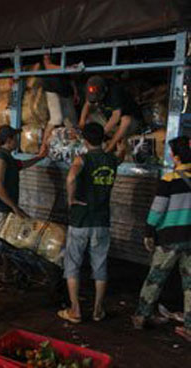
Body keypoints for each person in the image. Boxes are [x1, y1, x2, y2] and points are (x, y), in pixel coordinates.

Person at [58, 123, 125, 323]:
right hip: (102, 221)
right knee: (100, 265)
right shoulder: (111, 160)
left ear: (85, 140)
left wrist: (71, 199)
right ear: (103, 138)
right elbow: (120, 155)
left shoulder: (83, 159)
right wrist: (121, 146)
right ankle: (97, 310)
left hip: (81, 220)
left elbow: (71, 177)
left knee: (73, 264)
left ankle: (75, 310)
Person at [132, 136, 191, 342]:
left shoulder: (170, 179)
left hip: (170, 238)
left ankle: (142, 316)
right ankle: (190, 327)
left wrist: (149, 230)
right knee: (190, 284)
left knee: (155, 278)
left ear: (175, 156)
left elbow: (158, 209)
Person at [0, 125, 48, 291]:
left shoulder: (8, 158)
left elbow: (22, 165)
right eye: (15, 138)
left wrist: (39, 157)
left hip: (5, 208)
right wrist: (14, 207)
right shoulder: (0, 159)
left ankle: (6, 272)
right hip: (0, 209)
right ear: (9, 140)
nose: (18, 140)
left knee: (6, 240)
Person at [79, 75, 144, 153]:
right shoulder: (92, 89)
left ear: (105, 90)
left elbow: (116, 117)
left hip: (130, 124)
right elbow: (87, 105)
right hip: (109, 123)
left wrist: (101, 133)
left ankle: (110, 146)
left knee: (126, 120)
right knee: (89, 117)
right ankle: (93, 140)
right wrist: (81, 123)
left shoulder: (115, 92)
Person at [40, 54, 79, 146]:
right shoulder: (48, 50)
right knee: (57, 118)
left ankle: (73, 145)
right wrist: (66, 68)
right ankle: (43, 146)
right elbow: (48, 66)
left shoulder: (65, 55)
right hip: (52, 88)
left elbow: (70, 78)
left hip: (65, 90)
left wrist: (75, 92)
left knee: (72, 120)